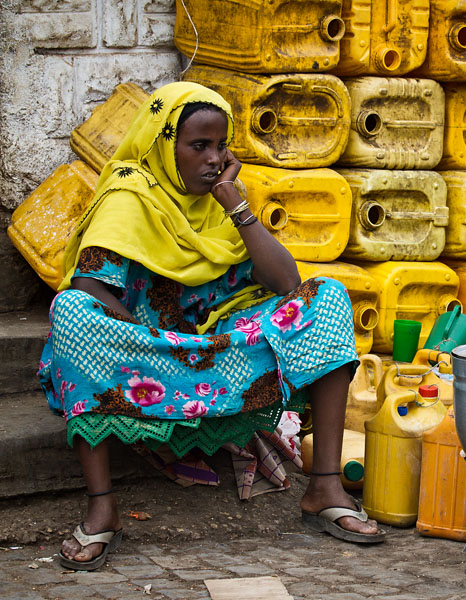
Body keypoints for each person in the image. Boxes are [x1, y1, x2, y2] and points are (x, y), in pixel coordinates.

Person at [39, 82, 384, 571]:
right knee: (70, 312)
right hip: (147, 348)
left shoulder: (225, 201)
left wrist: (234, 204)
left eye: (220, 145)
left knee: (327, 297)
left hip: (222, 340)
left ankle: (324, 485)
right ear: (164, 145)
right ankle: (103, 507)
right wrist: (146, 339)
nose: (213, 158)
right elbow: (90, 286)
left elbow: (287, 282)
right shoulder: (129, 195)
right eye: (198, 146)